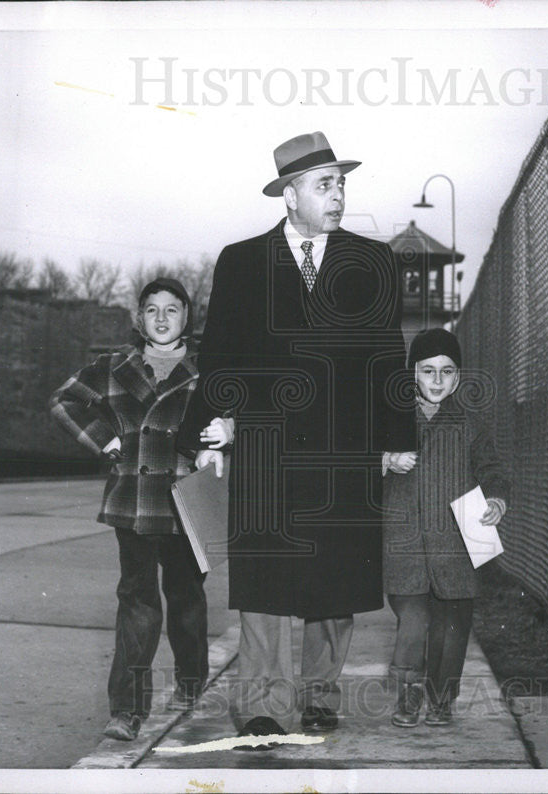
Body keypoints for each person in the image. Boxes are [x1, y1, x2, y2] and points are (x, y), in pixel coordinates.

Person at [179, 131, 416, 748]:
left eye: (342, 183)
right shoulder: (240, 261)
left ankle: (319, 695)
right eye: (325, 184)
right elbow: (220, 355)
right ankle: (261, 703)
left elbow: (388, 355)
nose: (339, 196)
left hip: (344, 448)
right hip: (266, 446)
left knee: (335, 581)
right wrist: (213, 429)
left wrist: (395, 436)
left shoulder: (373, 261)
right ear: (290, 195)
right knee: (263, 579)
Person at [50, 278, 228, 741]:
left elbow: (244, 412)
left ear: (188, 317)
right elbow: (63, 401)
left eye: (173, 309)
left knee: (187, 599)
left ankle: (190, 683)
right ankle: (126, 710)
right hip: (133, 500)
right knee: (137, 604)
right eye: (152, 310)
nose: (163, 318)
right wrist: (103, 438)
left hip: (188, 499)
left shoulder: (209, 369)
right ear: (139, 318)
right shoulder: (112, 366)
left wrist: (227, 432)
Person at [382, 328, 509, 727]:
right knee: (414, 623)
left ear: (457, 377)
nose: (437, 381)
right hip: (405, 548)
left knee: (451, 629)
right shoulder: (392, 421)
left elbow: (493, 472)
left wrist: (495, 501)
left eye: (447, 372)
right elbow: (354, 467)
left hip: (456, 547)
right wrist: (384, 459)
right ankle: (408, 693)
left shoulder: (471, 426)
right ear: (411, 374)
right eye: (427, 371)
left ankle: (441, 698)